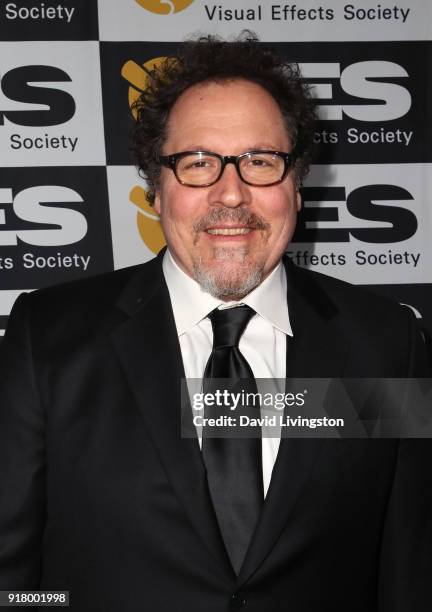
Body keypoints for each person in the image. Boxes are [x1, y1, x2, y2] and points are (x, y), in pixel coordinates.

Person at [0, 32, 430, 612]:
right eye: (198, 163)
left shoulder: (386, 342)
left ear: (297, 186)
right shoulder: (46, 337)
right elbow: (13, 577)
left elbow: (408, 571)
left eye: (260, 161)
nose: (231, 194)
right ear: (157, 189)